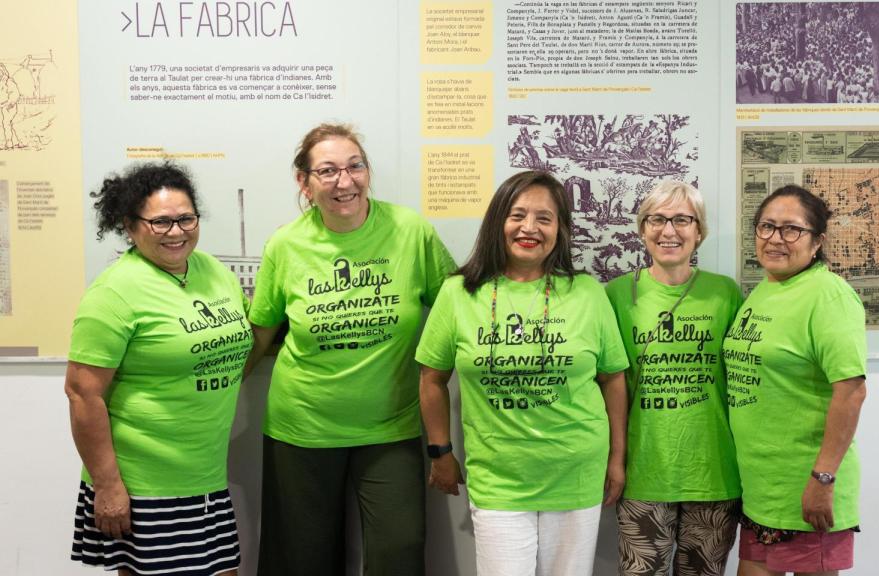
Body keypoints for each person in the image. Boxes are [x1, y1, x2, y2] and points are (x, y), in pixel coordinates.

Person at [245, 123, 455, 575]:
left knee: (399, 551)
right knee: (300, 560)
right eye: (328, 171)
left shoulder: (410, 231)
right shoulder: (286, 244)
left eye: (355, 166)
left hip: (390, 426)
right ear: (304, 182)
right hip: (301, 426)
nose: (345, 181)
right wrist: (215, 386)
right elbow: (261, 331)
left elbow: (455, 306)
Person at [417, 170, 629, 576]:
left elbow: (613, 379)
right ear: (498, 221)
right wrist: (440, 452)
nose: (529, 228)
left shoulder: (587, 292)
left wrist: (617, 459)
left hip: (576, 472)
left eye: (544, 218)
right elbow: (431, 378)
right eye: (517, 215)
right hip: (499, 479)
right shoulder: (459, 292)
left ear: (560, 230)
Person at [66, 163, 252, 576]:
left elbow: (246, 331)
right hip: (142, 484)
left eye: (186, 218)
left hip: (206, 476)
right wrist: (108, 485)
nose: (176, 231)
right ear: (130, 226)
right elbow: (82, 394)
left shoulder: (212, 271)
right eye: (161, 222)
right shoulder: (113, 293)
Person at [723, 185, 868, 576]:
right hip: (762, 490)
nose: (775, 238)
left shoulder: (828, 295)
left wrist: (823, 478)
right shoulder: (764, 290)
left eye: (791, 229)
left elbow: (852, 392)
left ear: (817, 241)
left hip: (807, 487)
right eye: (766, 226)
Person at [605, 181, 742, 576]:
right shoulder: (617, 295)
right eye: (657, 220)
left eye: (682, 219)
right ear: (642, 229)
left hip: (713, 472)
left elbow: (743, 383)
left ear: (699, 231)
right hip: (644, 471)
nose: (669, 231)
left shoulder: (724, 293)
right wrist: (615, 460)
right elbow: (609, 385)